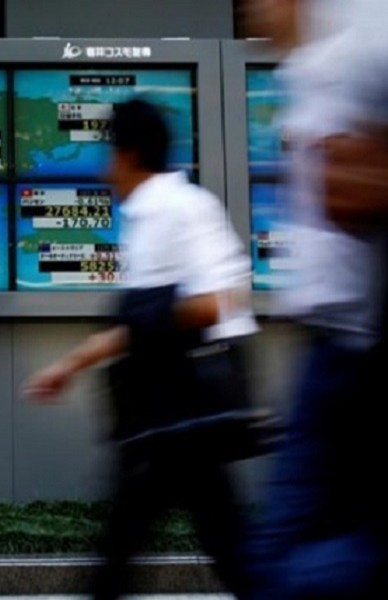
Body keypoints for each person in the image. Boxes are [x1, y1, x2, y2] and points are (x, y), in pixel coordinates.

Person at [23, 98, 259, 600]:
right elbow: (137, 327)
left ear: (127, 154)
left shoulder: (183, 208)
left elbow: (220, 299)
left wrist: (151, 319)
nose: (105, 169)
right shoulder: (147, 217)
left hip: (178, 415)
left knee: (127, 556)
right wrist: (69, 365)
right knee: (222, 548)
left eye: (109, 154)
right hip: (162, 421)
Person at [236, 1, 388, 598]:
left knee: (282, 565)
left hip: (359, 350)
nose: (249, 10)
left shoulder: (365, 40)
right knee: (281, 554)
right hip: (329, 345)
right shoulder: (305, 66)